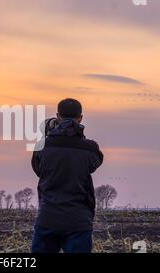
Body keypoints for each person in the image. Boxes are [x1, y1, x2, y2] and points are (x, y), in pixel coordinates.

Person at [31, 98, 104, 253]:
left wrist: (48, 133)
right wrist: (78, 136)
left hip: (48, 218)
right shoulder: (90, 148)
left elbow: (38, 170)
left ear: (57, 117)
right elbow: (96, 162)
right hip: (78, 220)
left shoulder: (41, 146)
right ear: (81, 118)